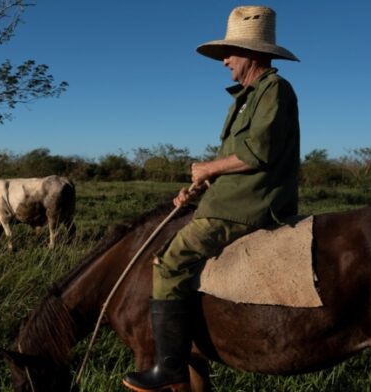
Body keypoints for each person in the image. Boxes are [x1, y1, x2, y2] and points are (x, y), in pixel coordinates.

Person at [123, 5, 301, 392]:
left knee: (170, 263)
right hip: (231, 197)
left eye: (230, 53)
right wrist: (200, 186)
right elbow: (236, 161)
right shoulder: (248, 95)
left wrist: (207, 168)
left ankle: (169, 368)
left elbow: (259, 153)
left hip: (248, 206)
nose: (224, 62)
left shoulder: (273, 89)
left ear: (252, 54)